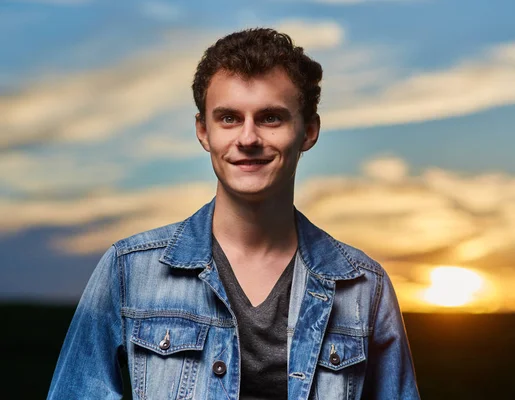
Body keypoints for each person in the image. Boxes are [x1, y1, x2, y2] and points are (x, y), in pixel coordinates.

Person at [48, 28, 420, 400]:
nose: (247, 138)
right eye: (228, 118)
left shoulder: (364, 288)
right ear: (202, 131)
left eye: (270, 118)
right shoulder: (129, 270)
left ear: (308, 131)